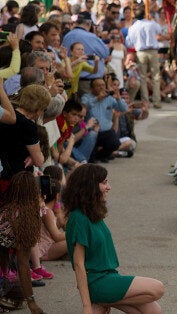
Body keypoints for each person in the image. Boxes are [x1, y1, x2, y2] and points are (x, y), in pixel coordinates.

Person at [63, 164, 164, 313]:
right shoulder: (78, 218)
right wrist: (86, 306)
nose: (108, 187)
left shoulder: (92, 213)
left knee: (154, 311)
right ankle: (100, 301)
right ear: (90, 186)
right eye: (104, 183)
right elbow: (78, 265)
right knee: (157, 289)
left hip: (109, 275)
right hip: (97, 281)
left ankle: (102, 302)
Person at [0, 172, 46, 313]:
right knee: (20, 297)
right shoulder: (27, 218)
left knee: (17, 294)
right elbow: (23, 265)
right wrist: (32, 302)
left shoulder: (5, 210)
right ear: (34, 191)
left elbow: (3, 250)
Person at [61, 12, 109, 99]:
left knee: (71, 108)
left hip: (69, 80)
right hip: (85, 83)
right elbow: (105, 53)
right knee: (85, 109)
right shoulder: (91, 36)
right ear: (89, 23)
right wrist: (97, 35)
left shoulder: (67, 36)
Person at [81, 78, 128, 163]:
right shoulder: (86, 97)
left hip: (107, 131)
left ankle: (101, 156)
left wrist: (118, 99)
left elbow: (123, 108)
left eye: (103, 85)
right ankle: (94, 157)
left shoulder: (109, 98)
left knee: (115, 144)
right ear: (92, 88)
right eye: (98, 85)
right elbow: (83, 108)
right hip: (91, 131)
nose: (102, 87)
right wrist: (97, 98)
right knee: (91, 160)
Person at [125, 4, 162, 109]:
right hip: (152, 51)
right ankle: (156, 101)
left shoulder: (133, 27)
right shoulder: (151, 24)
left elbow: (129, 42)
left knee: (143, 77)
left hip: (141, 51)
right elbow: (159, 30)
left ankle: (146, 102)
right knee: (155, 76)